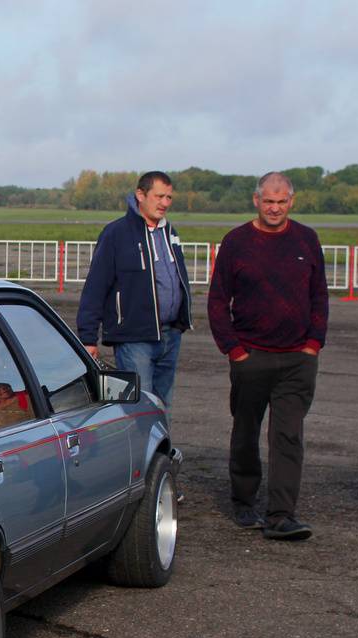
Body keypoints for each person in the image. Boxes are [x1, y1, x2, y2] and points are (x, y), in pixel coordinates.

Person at [208, 172, 328, 541]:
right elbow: (216, 301)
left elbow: (319, 297)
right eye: (268, 200)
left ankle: (281, 516)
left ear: (292, 201)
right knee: (246, 432)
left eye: (282, 200)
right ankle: (245, 504)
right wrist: (236, 350)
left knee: (288, 437)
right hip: (252, 357)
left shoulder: (307, 239)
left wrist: (313, 344)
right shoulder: (237, 242)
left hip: (297, 359)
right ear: (256, 200)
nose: (274, 207)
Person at [76, 171, 192, 410]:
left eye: (169, 197)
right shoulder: (116, 234)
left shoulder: (170, 233)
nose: (165, 203)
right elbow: (95, 287)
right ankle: (139, 448)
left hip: (170, 336)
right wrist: (88, 337)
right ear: (140, 194)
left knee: (163, 406)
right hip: (134, 338)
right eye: (159, 196)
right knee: (139, 407)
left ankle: (161, 448)